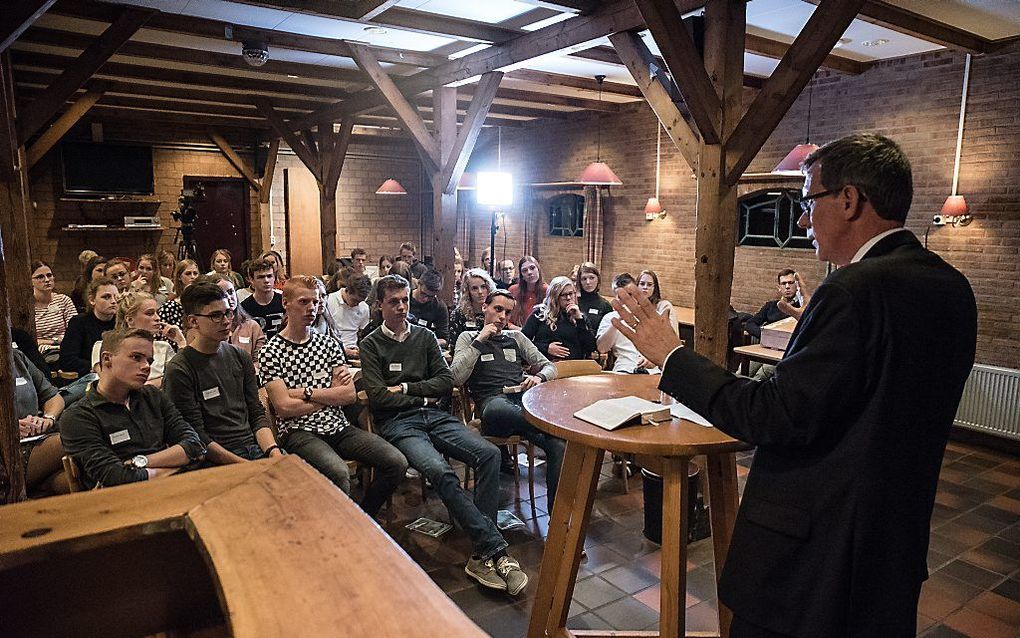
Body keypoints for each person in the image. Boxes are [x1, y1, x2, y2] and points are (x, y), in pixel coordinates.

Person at [611, 133, 977, 638]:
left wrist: (671, 356)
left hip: (814, 558)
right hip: (891, 545)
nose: (803, 219)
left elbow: (776, 415)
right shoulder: (951, 287)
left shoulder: (852, 289)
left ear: (849, 200)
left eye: (809, 200)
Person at [360, 275, 527, 595]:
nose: (401, 306)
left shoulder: (423, 337)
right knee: (439, 470)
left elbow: (444, 383)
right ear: (379, 305)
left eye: (405, 300)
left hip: (435, 415)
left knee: (490, 454)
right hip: (399, 424)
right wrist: (419, 394)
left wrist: (408, 389)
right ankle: (496, 550)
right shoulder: (371, 344)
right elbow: (379, 398)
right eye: (393, 301)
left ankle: (481, 554)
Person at [259, 277, 407, 517]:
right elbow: (284, 408)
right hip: (299, 432)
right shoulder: (271, 351)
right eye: (304, 301)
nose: (311, 308)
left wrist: (305, 393)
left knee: (396, 462)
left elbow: (348, 395)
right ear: (285, 303)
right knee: (338, 472)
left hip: (337, 426)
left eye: (316, 302)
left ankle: (362, 517)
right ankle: (339, 531)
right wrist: (329, 395)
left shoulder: (327, 344)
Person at [451, 289, 563, 506]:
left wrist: (539, 377)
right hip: (492, 407)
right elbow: (456, 377)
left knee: (557, 444)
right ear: (485, 308)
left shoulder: (516, 338)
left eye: (508, 313)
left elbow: (550, 367)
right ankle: (552, 423)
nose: (502, 317)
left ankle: (555, 516)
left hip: (521, 404)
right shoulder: (468, 337)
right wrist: (481, 340)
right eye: (498, 309)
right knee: (498, 408)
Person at [60, 328, 207, 489]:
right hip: (123, 503)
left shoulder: (153, 397)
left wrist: (140, 462)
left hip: (173, 490)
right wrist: (178, 466)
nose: (146, 367)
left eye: (149, 361)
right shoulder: (78, 416)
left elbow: (194, 446)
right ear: (107, 359)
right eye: (136, 357)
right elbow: (117, 477)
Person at [164, 283, 280, 464]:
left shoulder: (240, 356)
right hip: (215, 458)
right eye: (216, 316)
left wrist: (274, 452)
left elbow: (256, 414)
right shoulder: (180, 369)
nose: (226, 321)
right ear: (193, 321)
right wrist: (246, 466)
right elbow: (196, 435)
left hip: (255, 447)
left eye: (228, 313)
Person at [90, 291, 185, 388]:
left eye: (157, 312)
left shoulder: (163, 347)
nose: (157, 318)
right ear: (130, 320)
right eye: (149, 313)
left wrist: (181, 342)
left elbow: (180, 378)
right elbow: (112, 383)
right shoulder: (103, 345)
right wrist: (161, 381)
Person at [14, 348, 67, 496]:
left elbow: (53, 396)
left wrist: (48, 418)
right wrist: (10, 428)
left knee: (69, 480)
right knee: (72, 439)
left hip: (36, 437)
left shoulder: (16, 357)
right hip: (8, 451)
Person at [195, 273, 266, 365]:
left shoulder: (252, 326)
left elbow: (260, 360)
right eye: (222, 294)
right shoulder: (206, 328)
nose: (228, 298)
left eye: (230, 292)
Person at [522, 276, 597, 361]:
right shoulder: (540, 314)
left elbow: (590, 347)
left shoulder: (580, 317)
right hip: (546, 363)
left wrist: (579, 320)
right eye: (564, 295)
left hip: (574, 366)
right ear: (555, 296)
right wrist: (545, 348)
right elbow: (523, 341)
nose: (568, 298)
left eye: (571, 294)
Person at [597, 273, 657, 373]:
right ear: (615, 297)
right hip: (625, 369)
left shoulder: (651, 315)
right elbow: (602, 348)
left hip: (651, 370)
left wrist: (654, 360)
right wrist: (617, 321)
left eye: (629, 295)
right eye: (621, 297)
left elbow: (663, 346)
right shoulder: (609, 318)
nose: (626, 300)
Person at [59, 277, 118, 377]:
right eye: (106, 297)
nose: (113, 301)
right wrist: (97, 367)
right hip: (89, 376)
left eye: (116, 297)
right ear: (92, 300)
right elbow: (67, 360)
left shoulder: (122, 322)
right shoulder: (79, 323)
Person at [32, 260, 77, 363]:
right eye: (40, 277)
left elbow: (74, 331)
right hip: (39, 353)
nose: (47, 280)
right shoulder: (26, 306)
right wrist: (54, 341)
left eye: (49, 275)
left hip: (65, 349)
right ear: (31, 281)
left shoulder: (63, 300)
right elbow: (30, 340)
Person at [744, 269, 808, 338]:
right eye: (783, 283)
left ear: (797, 286)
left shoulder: (802, 307)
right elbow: (750, 323)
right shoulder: (770, 306)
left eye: (790, 283)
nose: (787, 287)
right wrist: (765, 336)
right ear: (779, 287)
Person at [449, 268, 497, 355]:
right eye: (474, 288)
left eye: (483, 287)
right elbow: (454, 348)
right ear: (468, 291)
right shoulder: (458, 314)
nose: (480, 292)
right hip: (468, 359)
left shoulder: (497, 311)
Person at [325, 273, 371, 360]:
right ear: (347, 290)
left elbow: (362, 334)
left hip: (354, 350)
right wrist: (343, 350)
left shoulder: (364, 307)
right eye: (354, 300)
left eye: (360, 301)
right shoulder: (329, 301)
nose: (357, 304)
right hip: (332, 351)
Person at [240, 259, 285, 340]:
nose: (266, 281)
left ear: (274, 277)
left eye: (269, 276)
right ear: (251, 279)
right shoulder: (244, 307)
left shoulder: (284, 302)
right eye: (261, 277)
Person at [408, 269, 449, 347]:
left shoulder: (439, 307)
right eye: (423, 293)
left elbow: (444, 340)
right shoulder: (405, 299)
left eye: (431, 297)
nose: (425, 299)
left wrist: (427, 343)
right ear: (419, 283)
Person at [159, 259, 200, 329]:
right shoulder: (169, 307)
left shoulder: (204, 304)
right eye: (188, 273)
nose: (193, 277)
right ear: (179, 277)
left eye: (195, 273)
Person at [508, 256, 547, 327]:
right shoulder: (513, 290)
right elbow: (505, 318)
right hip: (516, 332)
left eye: (532, 268)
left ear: (538, 269)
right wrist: (516, 329)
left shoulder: (548, 291)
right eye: (524, 270)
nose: (529, 272)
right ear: (521, 275)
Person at [636, 270, 677, 334]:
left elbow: (673, 333)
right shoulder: (633, 305)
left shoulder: (665, 306)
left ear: (654, 288)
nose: (645, 287)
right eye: (642, 284)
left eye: (649, 285)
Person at [575, 262, 612, 333]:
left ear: (598, 279)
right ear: (579, 281)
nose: (588, 282)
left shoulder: (605, 305)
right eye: (584, 279)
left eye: (591, 278)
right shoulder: (573, 302)